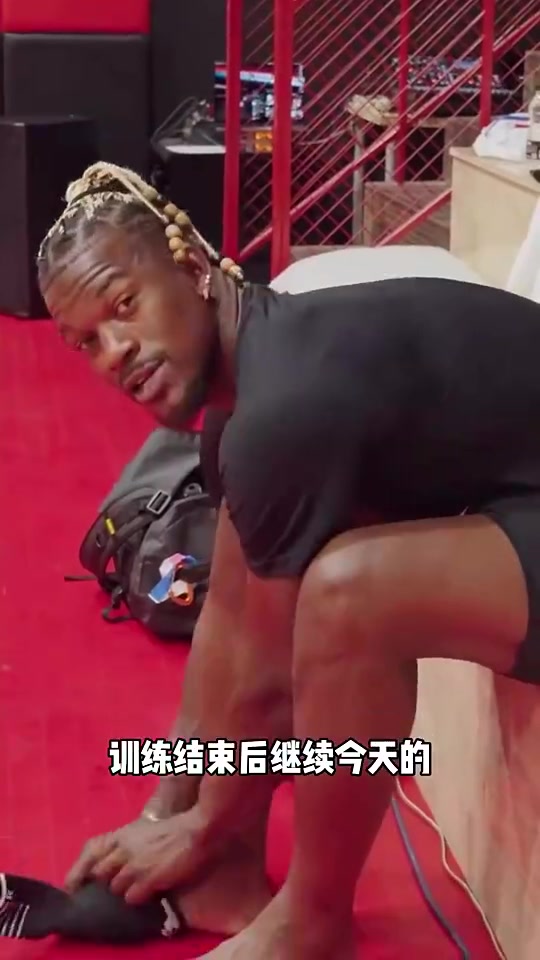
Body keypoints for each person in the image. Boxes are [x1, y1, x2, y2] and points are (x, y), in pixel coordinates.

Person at [36, 160, 540, 960]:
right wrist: (169, 810)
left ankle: (312, 924)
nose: (115, 352)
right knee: (287, 586)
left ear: (195, 269)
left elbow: (271, 683)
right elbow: (232, 621)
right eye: (86, 341)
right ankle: (231, 874)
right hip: (519, 497)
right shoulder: (242, 402)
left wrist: (202, 825)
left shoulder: (283, 408)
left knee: (350, 597)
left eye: (125, 305)